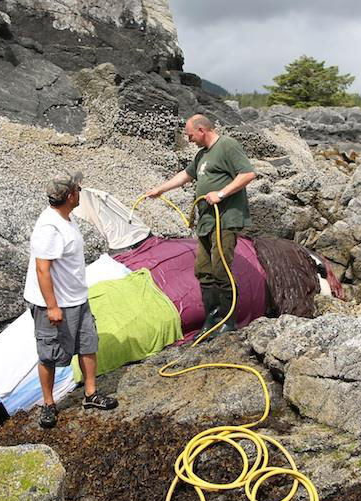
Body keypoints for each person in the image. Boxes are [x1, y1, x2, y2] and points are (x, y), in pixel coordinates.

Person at [145, 114, 256, 338]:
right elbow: (186, 175)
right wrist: (161, 189)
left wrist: (221, 193)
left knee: (220, 268)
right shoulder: (202, 155)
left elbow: (248, 173)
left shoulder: (227, 146)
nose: (189, 139)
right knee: (203, 270)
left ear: (202, 130)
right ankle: (212, 317)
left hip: (225, 219)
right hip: (206, 223)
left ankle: (228, 320)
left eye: (190, 135)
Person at [24, 171, 118, 429]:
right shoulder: (49, 227)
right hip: (52, 303)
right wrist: (52, 307)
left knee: (88, 343)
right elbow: (42, 269)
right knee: (49, 354)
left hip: (77, 297)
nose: (80, 191)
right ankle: (48, 404)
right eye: (77, 189)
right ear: (69, 196)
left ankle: (90, 394)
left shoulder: (66, 217)